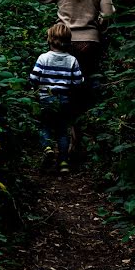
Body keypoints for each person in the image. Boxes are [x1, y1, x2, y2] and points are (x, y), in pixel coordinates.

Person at [30, 0, 115, 154]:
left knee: (61, 88)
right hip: (89, 44)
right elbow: (109, 13)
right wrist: (99, 25)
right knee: (82, 91)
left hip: (64, 41)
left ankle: (57, 136)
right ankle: (77, 141)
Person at [29, 22, 84, 173]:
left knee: (44, 126)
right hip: (64, 101)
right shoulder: (72, 60)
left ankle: (47, 148)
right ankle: (64, 163)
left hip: (46, 99)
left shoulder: (43, 58)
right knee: (62, 131)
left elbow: (33, 78)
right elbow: (78, 82)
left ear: (50, 39)